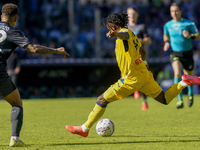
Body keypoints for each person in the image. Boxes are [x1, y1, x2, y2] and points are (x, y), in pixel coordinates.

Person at [66, 11, 200, 137]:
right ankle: (185, 82)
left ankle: (84, 129)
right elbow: (142, 51)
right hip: (143, 74)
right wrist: (144, 61)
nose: (108, 30)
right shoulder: (133, 34)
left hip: (132, 78)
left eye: (109, 27)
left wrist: (116, 34)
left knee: (101, 99)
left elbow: (123, 36)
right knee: (164, 98)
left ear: (114, 26)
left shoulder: (124, 33)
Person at [0, 3, 69, 147]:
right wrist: (56, 50)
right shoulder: (14, 33)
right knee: (17, 103)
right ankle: (14, 138)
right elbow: (34, 49)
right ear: (16, 18)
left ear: (1, 16)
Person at [163, 2, 200, 109]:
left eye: (176, 11)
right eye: (172, 11)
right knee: (177, 73)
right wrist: (166, 43)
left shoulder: (189, 24)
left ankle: (190, 94)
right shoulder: (167, 25)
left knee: (189, 77)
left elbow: (198, 36)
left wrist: (190, 35)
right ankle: (179, 100)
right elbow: (166, 36)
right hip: (175, 53)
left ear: (180, 12)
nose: (174, 13)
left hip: (187, 53)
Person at [127, 6, 152, 111]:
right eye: (130, 14)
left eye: (133, 14)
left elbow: (149, 41)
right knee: (126, 75)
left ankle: (144, 101)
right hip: (128, 57)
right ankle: (135, 90)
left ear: (137, 15)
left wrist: (138, 40)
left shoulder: (141, 27)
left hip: (140, 57)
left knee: (143, 80)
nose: (132, 16)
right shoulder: (125, 28)